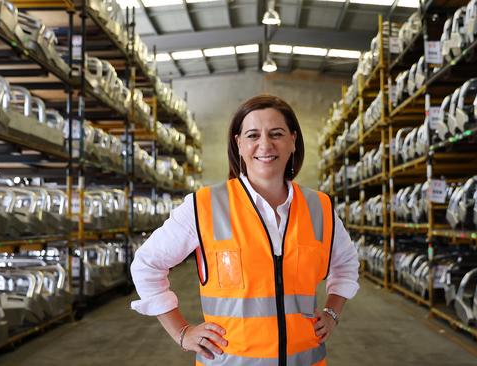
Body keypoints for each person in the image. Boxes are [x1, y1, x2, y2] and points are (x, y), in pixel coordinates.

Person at [130, 95, 359, 365]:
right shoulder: (204, 206)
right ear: (238, 143)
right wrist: (181, 332)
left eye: (276, 133)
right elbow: (147, 264)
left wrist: (332, 312)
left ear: (293, 140)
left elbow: (346, 264)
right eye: (253, 135)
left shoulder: (319, 208)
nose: (265, 144)